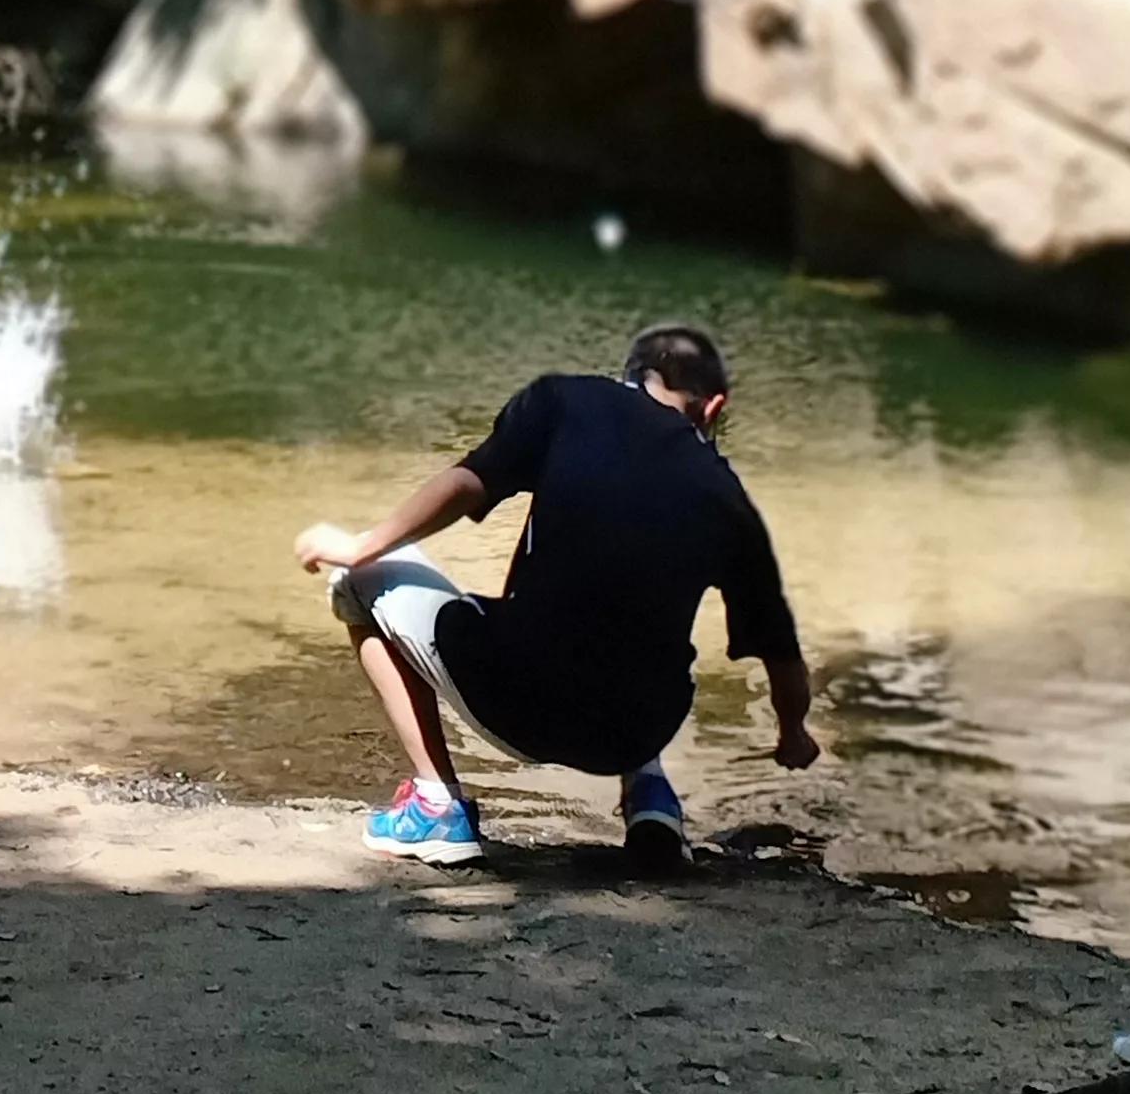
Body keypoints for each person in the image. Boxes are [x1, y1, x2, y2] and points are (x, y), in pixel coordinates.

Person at [294, 322, 817, 873]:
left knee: (356, 582)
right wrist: (794, 736)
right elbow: (783, 658)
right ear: (713, 408)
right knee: (641, 614)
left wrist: (360, 547)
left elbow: (466, 483)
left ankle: (437, 806)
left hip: (520, 704)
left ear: (629, 377)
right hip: (632, 730)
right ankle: (651, 803)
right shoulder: (727, 495)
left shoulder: (566, 401)